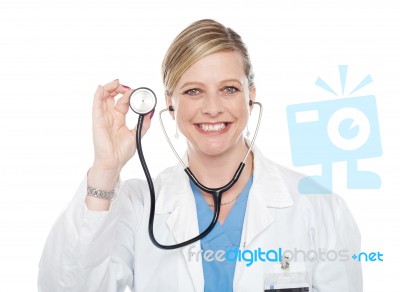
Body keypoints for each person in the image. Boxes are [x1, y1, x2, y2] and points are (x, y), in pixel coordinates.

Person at [38, 19, 362, 292]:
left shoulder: (319, 207)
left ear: (251, 96)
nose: (212, 107)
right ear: (169, 102)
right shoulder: (138, 206)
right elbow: (66, 285)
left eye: (229, 89)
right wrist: (106, 167)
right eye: (193, 91)